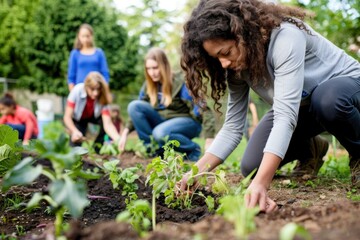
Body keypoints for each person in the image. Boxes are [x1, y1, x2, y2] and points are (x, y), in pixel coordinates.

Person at [178, 0, 360, 213]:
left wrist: (262, 185)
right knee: (251, 168)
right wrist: (196, 171)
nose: (223, 63)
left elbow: (284, 117)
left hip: (346, 88)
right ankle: (312, 148)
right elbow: (232, 128)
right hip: (301, 106)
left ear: (242, 35)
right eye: (216, 57)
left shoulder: (286, 37)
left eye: (225, 52)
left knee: (328, 101)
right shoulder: (237, 67)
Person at [119, 47, 214, 161]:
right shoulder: (149, 85)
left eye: (155, 67)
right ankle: (155, 152)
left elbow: (203, 107)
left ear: (164, 65)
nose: (152, 73)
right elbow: (137, 110)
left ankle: (192, 149)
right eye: (148, 69)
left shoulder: (180, 82)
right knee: (134, 105)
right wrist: (125, 132)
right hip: (161, 121)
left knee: (160, 133)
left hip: (187, 122)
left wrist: (209, 137)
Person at [63, 71, 121, 152]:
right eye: (92, 89)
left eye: (98, 89)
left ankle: (96, 150)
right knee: (74, 146)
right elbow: (67, 117)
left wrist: (118, 139)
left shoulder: (103, 96)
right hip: (79, 119)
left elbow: (107, 124)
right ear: (86, 86)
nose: (96, 93)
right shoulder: (77, 91)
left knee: (105, 127)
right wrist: (74, 131)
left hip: (94, 117)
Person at [67, 23, 110, 91]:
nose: (85, 39)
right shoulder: (75, 53)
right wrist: (73, 94)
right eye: (83, 36)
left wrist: (104, 91)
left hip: (96, 92)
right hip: (80, 91)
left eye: (88, 36)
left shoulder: (99, 53)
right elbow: (71, 77)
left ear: (92, 36)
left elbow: (105, 74)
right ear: (79, 36)